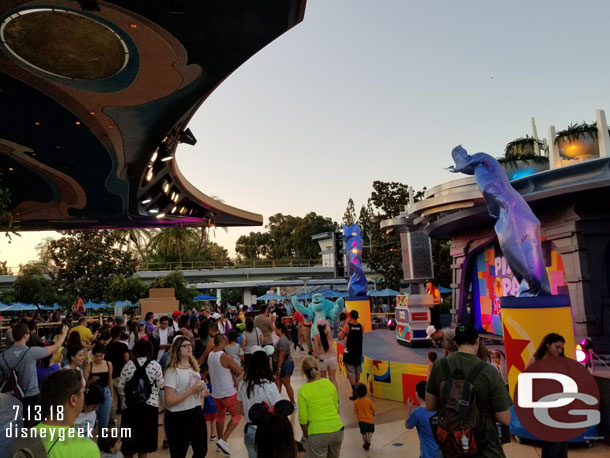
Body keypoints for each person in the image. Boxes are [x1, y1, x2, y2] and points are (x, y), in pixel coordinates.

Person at [426, 323, 511, 458]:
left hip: (451, 443)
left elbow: (430, 406)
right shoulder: (489, 371)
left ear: (455, 342)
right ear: (477, 340)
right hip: (483, 445)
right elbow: (504, 418)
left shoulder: (439, 365)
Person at [0, 323, 69, 421]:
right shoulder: (32, 352)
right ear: (25, 335)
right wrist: (64, 334)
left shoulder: (2, 356)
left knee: (16, 424)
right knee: (32, 425)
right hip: (31, 395)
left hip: (11, 396)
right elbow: (55, 347)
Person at [32, 369, 100, 457]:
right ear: (73, 399)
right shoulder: (88, 449)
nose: (84, 396)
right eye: (83, 391)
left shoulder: (24, 438)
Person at [164, 335, 209, 458]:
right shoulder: (172, 371)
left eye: (190, 345)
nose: (189, 347)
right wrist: (192, 390)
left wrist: (201, 393)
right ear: (177, 350)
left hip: (195, 412)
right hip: (178, 416)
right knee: (179, 453)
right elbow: (168, 401)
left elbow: (194, 391)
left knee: (201, 450)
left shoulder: (194, 367)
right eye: (185, 345)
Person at [119, 339, 164, 458]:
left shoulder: (128, 365)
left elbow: (121, 385)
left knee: (128, 447)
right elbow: (161, 385)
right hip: (149, 408)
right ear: (150, 351)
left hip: (129, 409)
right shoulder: (155, 366)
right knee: (144, 447)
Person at [525, 333, 567, 458]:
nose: (559, 350)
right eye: (557, 347)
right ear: (548, 344)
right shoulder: (535, 359)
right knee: (552, 442)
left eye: (561, 348)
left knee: (563, 442)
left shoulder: (561, 361)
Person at [237, 349, 282, 458]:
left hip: (250, 430)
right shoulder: (269, 385)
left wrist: (250, 413)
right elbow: (279, 408)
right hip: (267, 430)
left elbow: (238, 409)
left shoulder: (243, 384)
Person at [298, 356, 344, 458]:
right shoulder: (329, 383)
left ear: (304, 373)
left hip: (317, 433)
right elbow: (336, 408)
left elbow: (303, 420)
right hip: (337, 429)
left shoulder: (303, 390)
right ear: (317, 368)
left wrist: (307, 435)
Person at [208, 334, 243, 455]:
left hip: (216, 393)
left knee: (220, 416)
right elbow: (239, 370)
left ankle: (220, 442)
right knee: (237, 414)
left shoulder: (210, 355)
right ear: (222, 342)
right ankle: (223, 440)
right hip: (228, 392)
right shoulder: (224, 356)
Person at [84, 343, 113, 444]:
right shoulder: (89, 366)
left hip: (105, 392)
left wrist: (112, 395)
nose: (99, 358)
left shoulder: (108, 364)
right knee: (90, 421)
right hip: (93, 395)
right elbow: (84, 385)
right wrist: (91, 380)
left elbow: (110, 381)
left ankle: (101, 444)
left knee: (103, 421)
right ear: (93, 355)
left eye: (101, 356)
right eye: (97, 356)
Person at [405, 380, 440, 458]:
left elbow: (407, 425)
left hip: (427, 454)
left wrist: (409, 407)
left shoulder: (417, 413)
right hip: (440, 453)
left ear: (417, 394)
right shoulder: (438, 409)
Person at [105, 325, 129, 424]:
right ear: (120, 334)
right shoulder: (123, 346)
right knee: (123, 396)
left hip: (109, 375)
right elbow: (127, 359)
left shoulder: (107, 346)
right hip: (120, 374)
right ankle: (125, 418)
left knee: (112, 398)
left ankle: (112, 419)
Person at [338, 310, 363, 400]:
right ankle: (357, 391)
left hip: (349, 352)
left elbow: (340, 337)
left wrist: (342, 329)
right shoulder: (361, 326)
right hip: (358, 352)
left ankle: (355, 392)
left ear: (350, 317)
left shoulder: (347, 326)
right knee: (357, 372)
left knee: (351, 372)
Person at [273, 321, 295, 404]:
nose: (274, 330)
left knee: (286, 383)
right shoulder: (283, 338)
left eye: (275, 328)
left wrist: (278, 367)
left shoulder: (283, 340)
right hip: (283, 364)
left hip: (285, 364)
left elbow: (281, 355)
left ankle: (292, 402)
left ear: (280, 329)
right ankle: (276, 402)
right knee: (278, 383)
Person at [313, 319, 338, 390]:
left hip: (322, 360)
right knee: (333, 379)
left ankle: (326, 396)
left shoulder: (317, 336)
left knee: (323, 380)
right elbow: (328, 323)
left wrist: (313, 358)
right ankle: (336, 397)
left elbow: (316, 349)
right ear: (324, 325)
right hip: (332, 358)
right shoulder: (329, 331)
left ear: (317, 327)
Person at [353, 382, 375, 450]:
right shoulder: (368, 400)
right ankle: (369, 440)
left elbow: (356, 412)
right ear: (365, 392)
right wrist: (373, 413)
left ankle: (365, 443)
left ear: (356, 393)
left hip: (361, 421)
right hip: (370, 419)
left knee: (363, 433)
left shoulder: (356, 402)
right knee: (370, 431)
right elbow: (373, 408)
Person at [200, 364, 218, 442]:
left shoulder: (205, 387)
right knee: (213, 421)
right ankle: (213, 435)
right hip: (214, 408)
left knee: (205, 422)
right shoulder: (216, 386)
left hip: (206, 407)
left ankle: (204, 435)